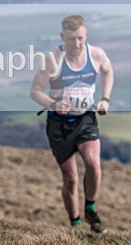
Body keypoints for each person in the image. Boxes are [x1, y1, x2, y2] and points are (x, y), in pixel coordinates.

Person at [30, 15, 114, 233]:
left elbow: (107, 70)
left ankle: (91, 208)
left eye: (80, 39)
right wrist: (53, 104)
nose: (76, 44)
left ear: (86, 35)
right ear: (62, 38)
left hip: (85, 119)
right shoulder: (52, 59)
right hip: (59, 125)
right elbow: (35, 91)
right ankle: (75, 223)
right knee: (70, 179)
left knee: (93, 164)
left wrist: (105, 98)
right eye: (71, 40)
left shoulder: (96, 54)